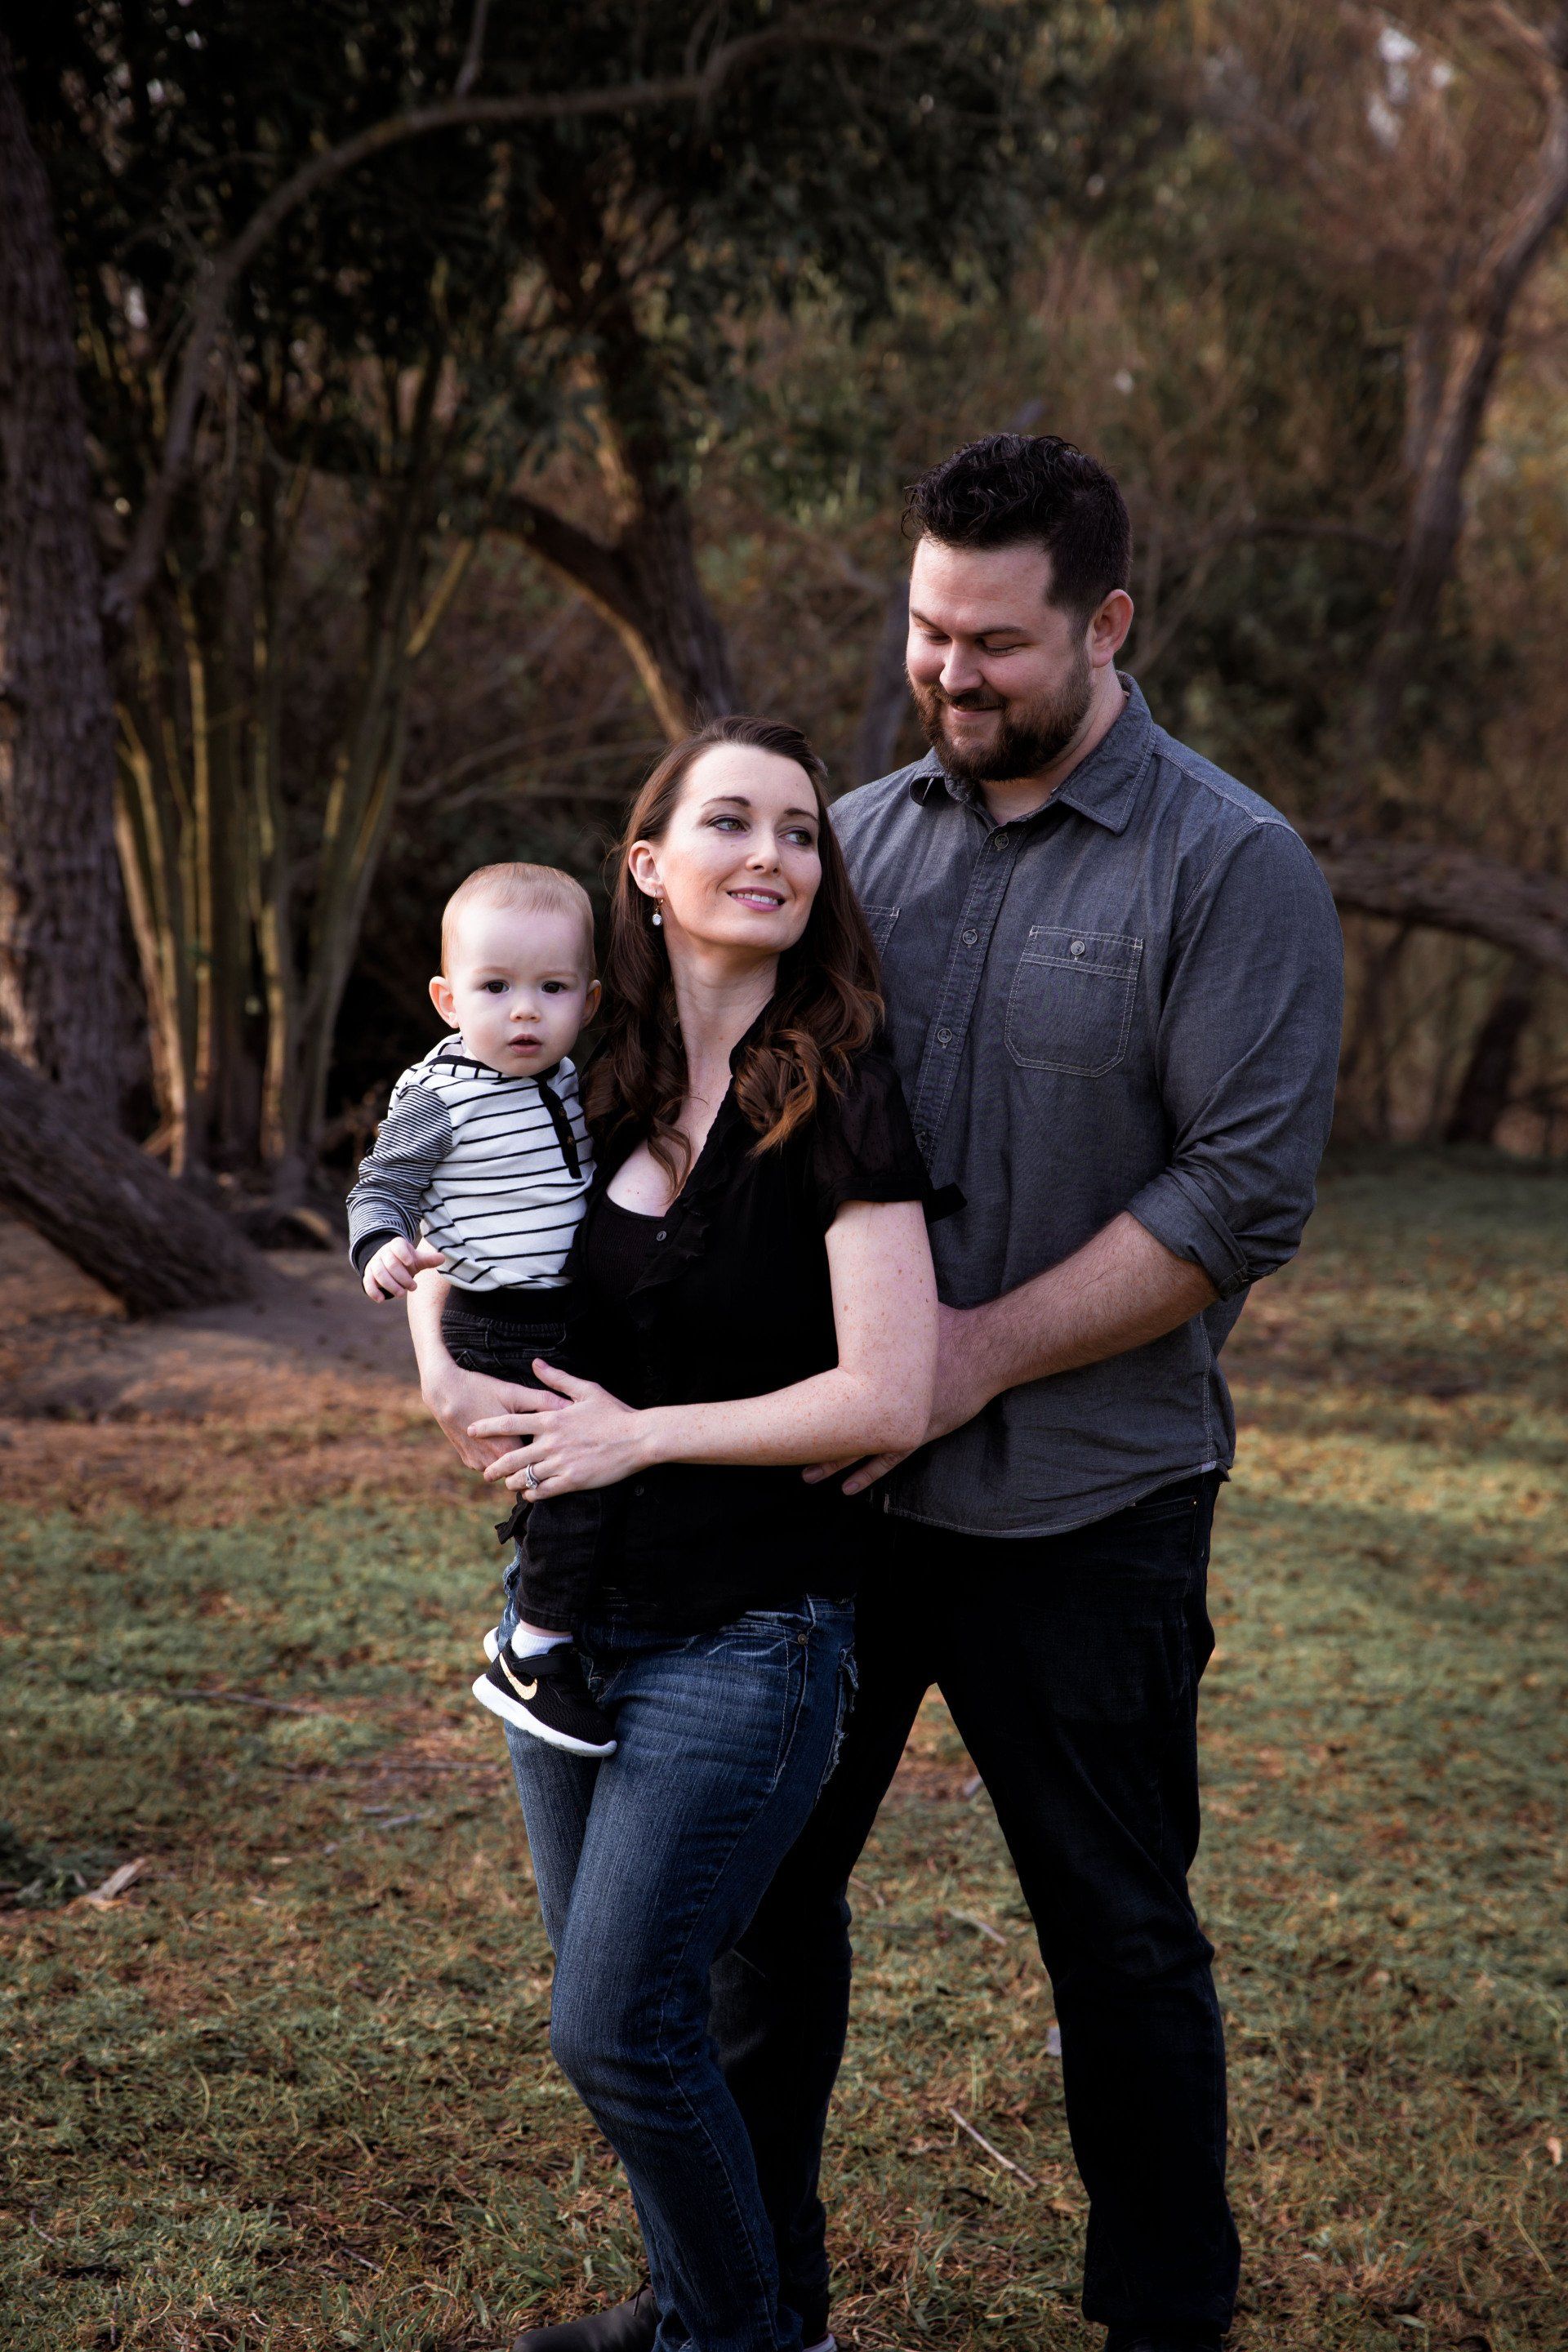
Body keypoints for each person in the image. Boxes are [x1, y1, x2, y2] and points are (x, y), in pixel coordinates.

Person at [535, 432, 1344, 2352]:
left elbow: (1238, 1195)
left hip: (1089, 1505)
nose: (948, 673)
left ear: (1107, 623)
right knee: (755, 1920)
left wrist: (956, 1359)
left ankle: (1165, 2322)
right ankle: (744, 2309)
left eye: (994, 643)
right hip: (832, 1515)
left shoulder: (1231, 867)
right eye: (925, 630)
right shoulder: (858, 847)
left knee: (1119, 1937)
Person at [406, 714, 939, 2352]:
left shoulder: (838, 1089)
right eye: (731, 821)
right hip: (567, 1628)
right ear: (647, 866)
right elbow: (435, 1221)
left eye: (800, 829)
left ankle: (734, 2334)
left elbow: (891, 1390)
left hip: (752, 1631)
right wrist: (435, 1364)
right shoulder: (568, 1063)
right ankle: (718, 2317)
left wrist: (641, 1433)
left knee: (616, 2027)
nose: (772, 852)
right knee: (646, 2018)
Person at [345, 860, 618, 1754]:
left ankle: (544, 1620)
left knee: (586, 1463)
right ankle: (533, 1652)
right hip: (495, 1317)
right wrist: (381, 1248)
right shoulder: (440, 1093)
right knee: (576, 1474)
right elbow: (383, 1183)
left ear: (589, 999)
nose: (525, 1012)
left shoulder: (568, 1074)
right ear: (448, 998)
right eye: (496, 988)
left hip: (560, 1308)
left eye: (552, 989)